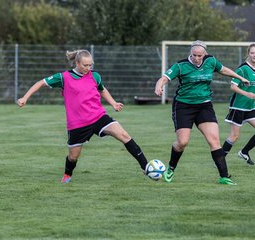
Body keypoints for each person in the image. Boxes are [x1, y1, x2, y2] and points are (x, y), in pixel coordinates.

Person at [17, 49, 150, 183]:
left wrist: (113, 103)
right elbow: (41, 83)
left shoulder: (95, 76)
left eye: (90, 65)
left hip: (98, 116)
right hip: (78, 124)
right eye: (85, 65)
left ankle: (146, 167)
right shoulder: (64, 77)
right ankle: (67, 175)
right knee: (73, 157)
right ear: (77, 63)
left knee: (124, 135)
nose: (88, 68)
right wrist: (25, 97)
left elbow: (102, 90)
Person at [154, 40, 250, 185]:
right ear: (190, 53)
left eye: (200, 55)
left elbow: (223, 69)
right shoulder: (180, 66)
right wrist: (159, 86)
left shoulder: (210, 61)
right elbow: (164, 78)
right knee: (182, 142)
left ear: (204, 54)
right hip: (183, 106)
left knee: (214, 141)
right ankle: (171, 168)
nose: (197, 58)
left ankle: (224, 177)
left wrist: (240, 77)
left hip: (204, 106)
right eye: (194, 55)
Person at [222, 43, 255, 165]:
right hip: (238, 107)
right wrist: (247, 94)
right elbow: (233, 87)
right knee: (234, 136)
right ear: (248, 54)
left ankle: (244, 152)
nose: (254, 55)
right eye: (252, 53)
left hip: (250, 107)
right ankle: (219, 160)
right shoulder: (243, 69)